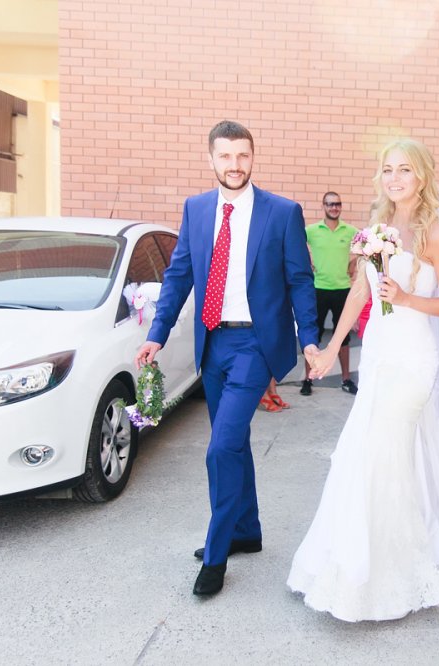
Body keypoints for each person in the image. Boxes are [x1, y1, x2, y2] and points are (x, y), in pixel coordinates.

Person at [135, 120, 319, 598]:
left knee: (220, 448)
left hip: (255, 345)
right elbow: (179, 277)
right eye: (225, 156)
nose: (234, 165)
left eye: (242, 155)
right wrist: (157, 334)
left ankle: (216, 556)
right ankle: (246, 531)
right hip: (211, 343)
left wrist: (310, 339)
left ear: (252, 157)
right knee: (233, 444)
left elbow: (300, 280)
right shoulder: (196, 209)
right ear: (211, 159)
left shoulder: (282, 212)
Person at [287, 138, 439, 621]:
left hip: (412, 360)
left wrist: (406, 298)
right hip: (379, 355)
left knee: (381, 457)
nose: (394, 178)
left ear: (421, 176)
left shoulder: (433, 233)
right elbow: (359, 293)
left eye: (404, 169)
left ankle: (394, 573)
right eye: (388, 169)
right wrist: (330, 350)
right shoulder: (376, 229)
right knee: (366, 453)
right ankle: (352, 557)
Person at [300, 192, 359, 397]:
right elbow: (295, 244)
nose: (334, 207)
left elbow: (367, 247)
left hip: (342, 289)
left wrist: (353, 263)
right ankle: (308, 379)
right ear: (323, 206)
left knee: (343, 337)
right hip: (318, 289)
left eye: (337, 204)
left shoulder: (350, 231)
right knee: (313, 336)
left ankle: (346, 380)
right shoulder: (312, 230)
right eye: (330, 204)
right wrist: (306, 263)